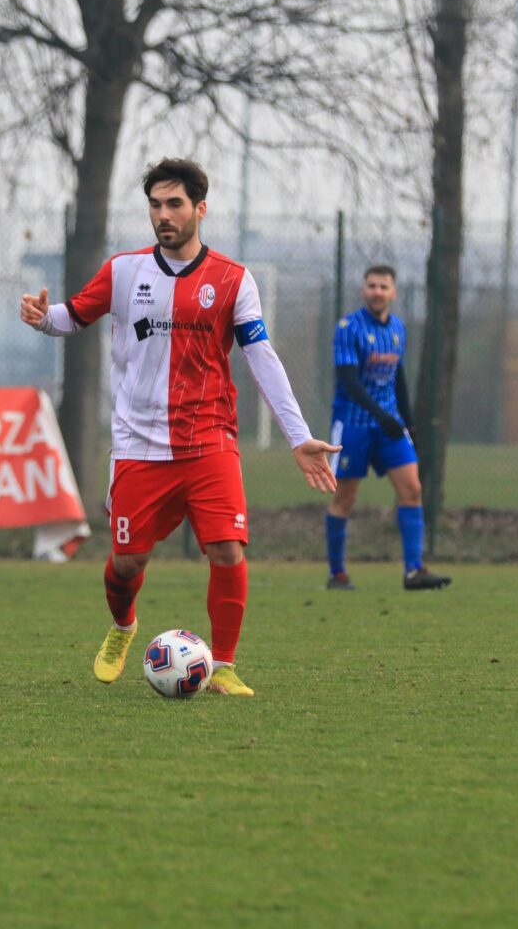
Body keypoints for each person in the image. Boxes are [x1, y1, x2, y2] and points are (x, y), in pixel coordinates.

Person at [19, 157, 340, 698]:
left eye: (174, 204)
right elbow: (72, 316)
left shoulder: (233, 280)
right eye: (155, 205)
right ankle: (124, 628)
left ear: (199, 210)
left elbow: (262, 357)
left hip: (210, 437)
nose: (163, 215)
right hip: (139, 443)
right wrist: (41, 317)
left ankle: (226, 666)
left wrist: (297, 436)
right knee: (126, 562)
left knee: (228, 550)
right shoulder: (123, 271)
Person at [323, 265, 452, 591]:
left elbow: (399, 378)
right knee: (345, 498)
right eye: (372, 285)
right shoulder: (348, 327)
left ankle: (414, 571)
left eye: (384, 286)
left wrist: (408, 423)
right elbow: (349, 381)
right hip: (354, 425)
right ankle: (337, 573)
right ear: (363, 290)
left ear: (393, 292)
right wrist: (382, 416)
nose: (377, 291)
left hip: (390, 425)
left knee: (412, 490)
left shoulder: (397, 328)